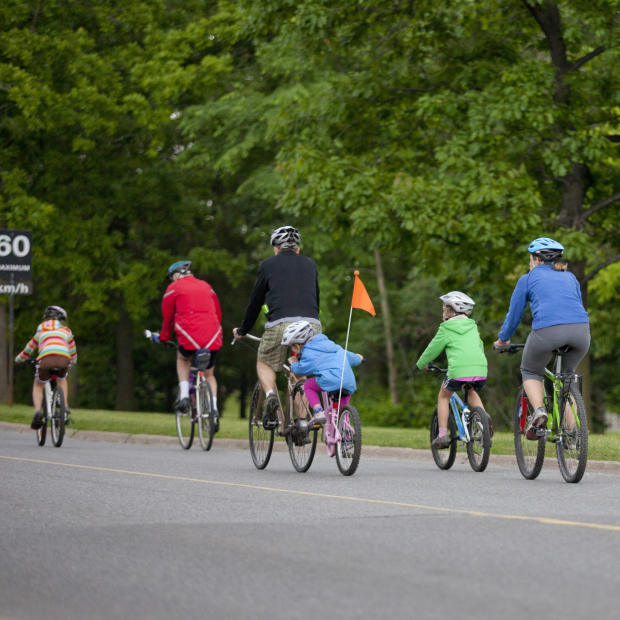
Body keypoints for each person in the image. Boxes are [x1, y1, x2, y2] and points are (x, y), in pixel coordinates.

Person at [494, 237, 590, 439]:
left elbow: (514, 316)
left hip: (548, 332)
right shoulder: (571, 277)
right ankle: (572, 436)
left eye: (530, 259)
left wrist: (503, 340)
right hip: (581, 332)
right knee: (567, 378)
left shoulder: (527, 279)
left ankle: (539, 412)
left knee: (530, 370)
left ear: (536, 259)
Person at [232, 226, 321, 433]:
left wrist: (244, 329)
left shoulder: (268, 265)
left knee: (264, 363)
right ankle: (301, 423)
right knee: (300, 371)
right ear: (297, 248)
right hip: (311, 325)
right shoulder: (310, 264)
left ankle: (271, 395)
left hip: (280, 324)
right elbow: (316, 298)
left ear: (276, 248)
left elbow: (255, 301)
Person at [150, 260, 223, 427]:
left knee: (183, 359)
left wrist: (163, 338)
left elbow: (168, 319)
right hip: (212, 336)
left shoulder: (174, 288)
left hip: (189, 336)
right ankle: (214, 409)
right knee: (210, 374)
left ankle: (184, 396)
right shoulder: (206, 286)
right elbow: (218, 313)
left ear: (176, 275)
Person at [416, 291, 488, 448]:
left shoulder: (446, 328)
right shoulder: (473, 326)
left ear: (450, 311)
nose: (442, 313)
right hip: (480, 369)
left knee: (443, 396)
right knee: (470, 390)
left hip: (458, 371)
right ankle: (485, 422)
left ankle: (442, 435)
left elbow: (432, 349)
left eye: (444, 309)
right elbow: (479, 346)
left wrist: (421, 364)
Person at [282, 320, 363, 456]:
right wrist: (360, 358)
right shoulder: (333, 345)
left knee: (308, 385)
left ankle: (318, 411)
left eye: (293, 347)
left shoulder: (308, 351)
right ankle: (346, 439)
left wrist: (294, 364)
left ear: (298, 344)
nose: (293, 350)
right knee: (341, 412)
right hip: (347, 381)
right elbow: (351, 357)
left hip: (329, 380)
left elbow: (302, 370)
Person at [14, 305, 78, 430]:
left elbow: (29, 347)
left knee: (38, 384)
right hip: (63, 359)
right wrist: (74, 360)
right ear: (61, 319)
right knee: (61, 380)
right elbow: (72, 350)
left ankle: (38, 411)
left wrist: (19, 359)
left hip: (46, 359)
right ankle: (65, 406)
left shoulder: (41, 329)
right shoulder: (67, 331)